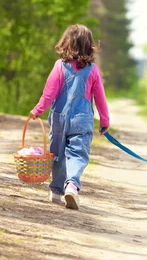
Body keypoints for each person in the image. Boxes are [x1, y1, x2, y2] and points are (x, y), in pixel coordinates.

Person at [29, 24, 109, 210]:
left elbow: (48, 93)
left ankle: (56, 191)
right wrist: (104, 121)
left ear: (67, 43)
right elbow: (100, 99)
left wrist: (38, 109)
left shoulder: (60, 66)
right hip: (82, 120)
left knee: (57, 154)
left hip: (59, 118)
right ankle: (71, 185)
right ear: (89, 46)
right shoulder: (93, 70)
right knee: (78, 154)